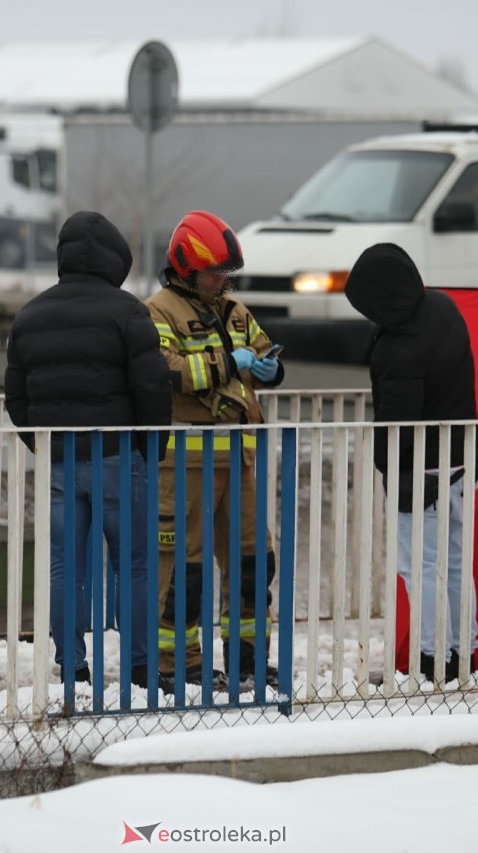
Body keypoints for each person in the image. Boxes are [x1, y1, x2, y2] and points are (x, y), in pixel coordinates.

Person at [4, 210, 171, 690]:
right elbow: (152, 387)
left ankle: (72, 665)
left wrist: (45, 444)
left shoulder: (30, 316)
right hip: (120, 457)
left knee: (65, 565)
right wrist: (150, 447)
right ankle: (139, 667)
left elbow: (17, 399)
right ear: (114, 259)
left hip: (60, 461)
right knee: (134, 564)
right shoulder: (128, 312)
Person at [144, 210, 284, 693]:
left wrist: (268, 369)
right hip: (186, 463)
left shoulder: (235, 310)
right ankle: (177, 664)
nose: (222, 280)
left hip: (239, 461)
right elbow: (171, 372)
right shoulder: (158, 311)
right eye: (214, 272)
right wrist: (230, 362)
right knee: (186, 569)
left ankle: (247, 661)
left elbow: (265, 353)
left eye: (226, 273)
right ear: (187, 267)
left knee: (252, 563)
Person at [344, 242, 478, 684]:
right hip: (462, 457)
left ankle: (431, 660)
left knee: (421, 566)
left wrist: (389, 472)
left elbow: (396, 424)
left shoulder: (398, 349)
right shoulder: (443, 307)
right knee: (456, 560)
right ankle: (464, 653)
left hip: (420, 471)